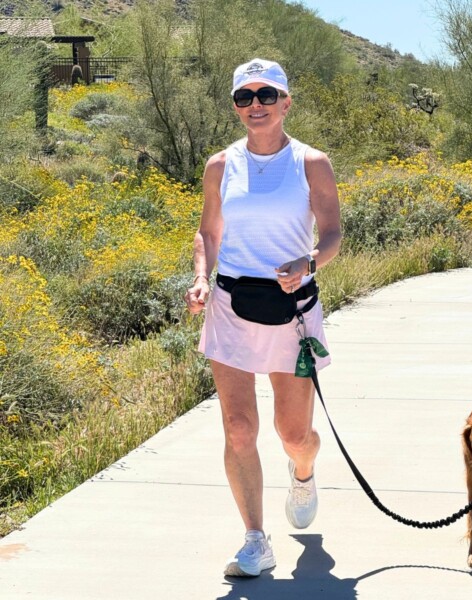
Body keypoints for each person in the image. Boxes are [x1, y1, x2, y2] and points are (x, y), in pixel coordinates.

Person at [184, 58, 341, 577]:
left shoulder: (311, 162)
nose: (256, 105)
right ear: (235, 106)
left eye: (267, 95)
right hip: (230, 306)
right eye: (245, 97)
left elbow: (334, 232)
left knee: (293, 433)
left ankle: (303, 471)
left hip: (291, 311)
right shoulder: (220, 166)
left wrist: (310, 262)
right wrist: (202, 276)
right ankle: (255, 539)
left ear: (286, 102)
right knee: (238, 429)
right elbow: (208, 233)